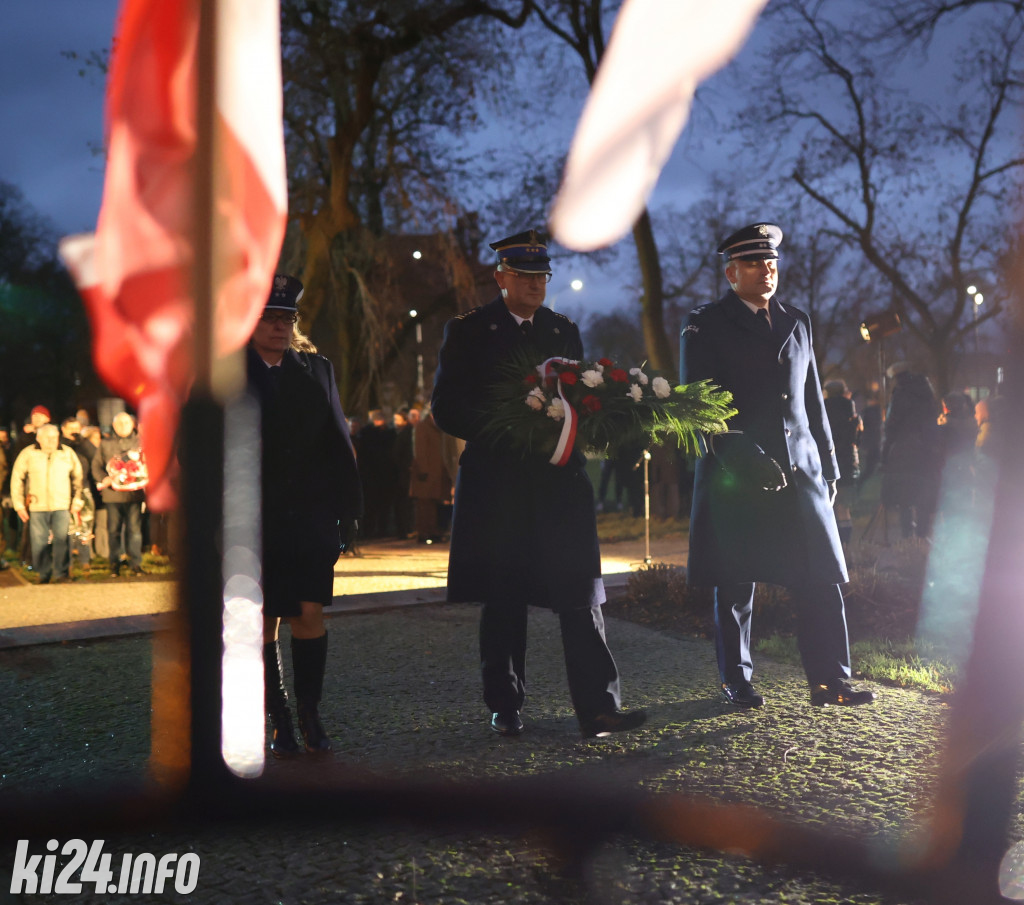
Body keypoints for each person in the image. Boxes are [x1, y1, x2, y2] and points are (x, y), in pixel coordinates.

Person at [431, 228, 646, 739]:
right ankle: (505, 704)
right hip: (500, 484)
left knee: (581, 594)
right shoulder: (468, 331)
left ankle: (598, 707)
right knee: (504, 597)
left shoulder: (561, 329)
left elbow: (579, 397)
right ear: (500, 276)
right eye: (524, 275)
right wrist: (510, 426)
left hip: (558, 484)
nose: (535, 283)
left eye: (542, 275)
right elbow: (446, 408)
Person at [680, 222, 874, 709]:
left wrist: (830, 466)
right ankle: (737, 680)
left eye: (771, 262)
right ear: (731, 273)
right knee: (735, 581)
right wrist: (745, 456)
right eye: (753, 263)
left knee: (820, 576)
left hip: (801, 466)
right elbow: (701, 406)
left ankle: (831, 679)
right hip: (737, 470)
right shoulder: (704, 323)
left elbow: (811, 400)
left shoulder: (797, 320)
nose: (766, 269)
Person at [248, 274, 362, 757]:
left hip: (310, 514)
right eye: (269, 318)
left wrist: (349, 511)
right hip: (252, 518)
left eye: (286, 318)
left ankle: (312, 715)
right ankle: (279, 719)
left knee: (309, 613)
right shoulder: (224, 373)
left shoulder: (317, 370)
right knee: (263, 619)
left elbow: (339, 442)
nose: (278, 327)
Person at [10, 423, 84, 584]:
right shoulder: (28, 454)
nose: (52, 441)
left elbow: (78, 478)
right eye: (47, 438)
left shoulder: (67, 453)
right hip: (37, 505)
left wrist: (77, 499)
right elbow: (17, 479)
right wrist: (19, 505)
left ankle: (61, 573)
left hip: (61, 504)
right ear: (38, 438)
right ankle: (43, 573)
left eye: (54, 437)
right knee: (38, 542)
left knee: (62, 540)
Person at [881, 362, 940, 539]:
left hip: (904, 449)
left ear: (896, 378)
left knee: (905, 495)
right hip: (926, 448)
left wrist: (885, 452)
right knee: (922, 492)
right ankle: (922, 536)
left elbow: (892, 423)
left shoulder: (901, 394)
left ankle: (907, 538)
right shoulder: (927, 392)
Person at [92, 411, 148, 577]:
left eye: (126, 423)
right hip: (113, 495)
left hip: (135, 494)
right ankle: (114, 564)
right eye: (119, 424)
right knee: (113, 530)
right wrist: (104, 479)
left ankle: (135, 564)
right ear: (114, 426)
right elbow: (96, 466)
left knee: (135, 530)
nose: (123, 426)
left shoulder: (142, 442)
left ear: (132, 424)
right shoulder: (105, 444)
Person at [823, 379, 861, 553]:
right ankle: (846, 548)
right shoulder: (851, 412)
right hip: (847, 462)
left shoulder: (822, 408)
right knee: (844, 507)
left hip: (827, 461)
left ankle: (833, 547)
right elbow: (856, 440)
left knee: (828, 505)